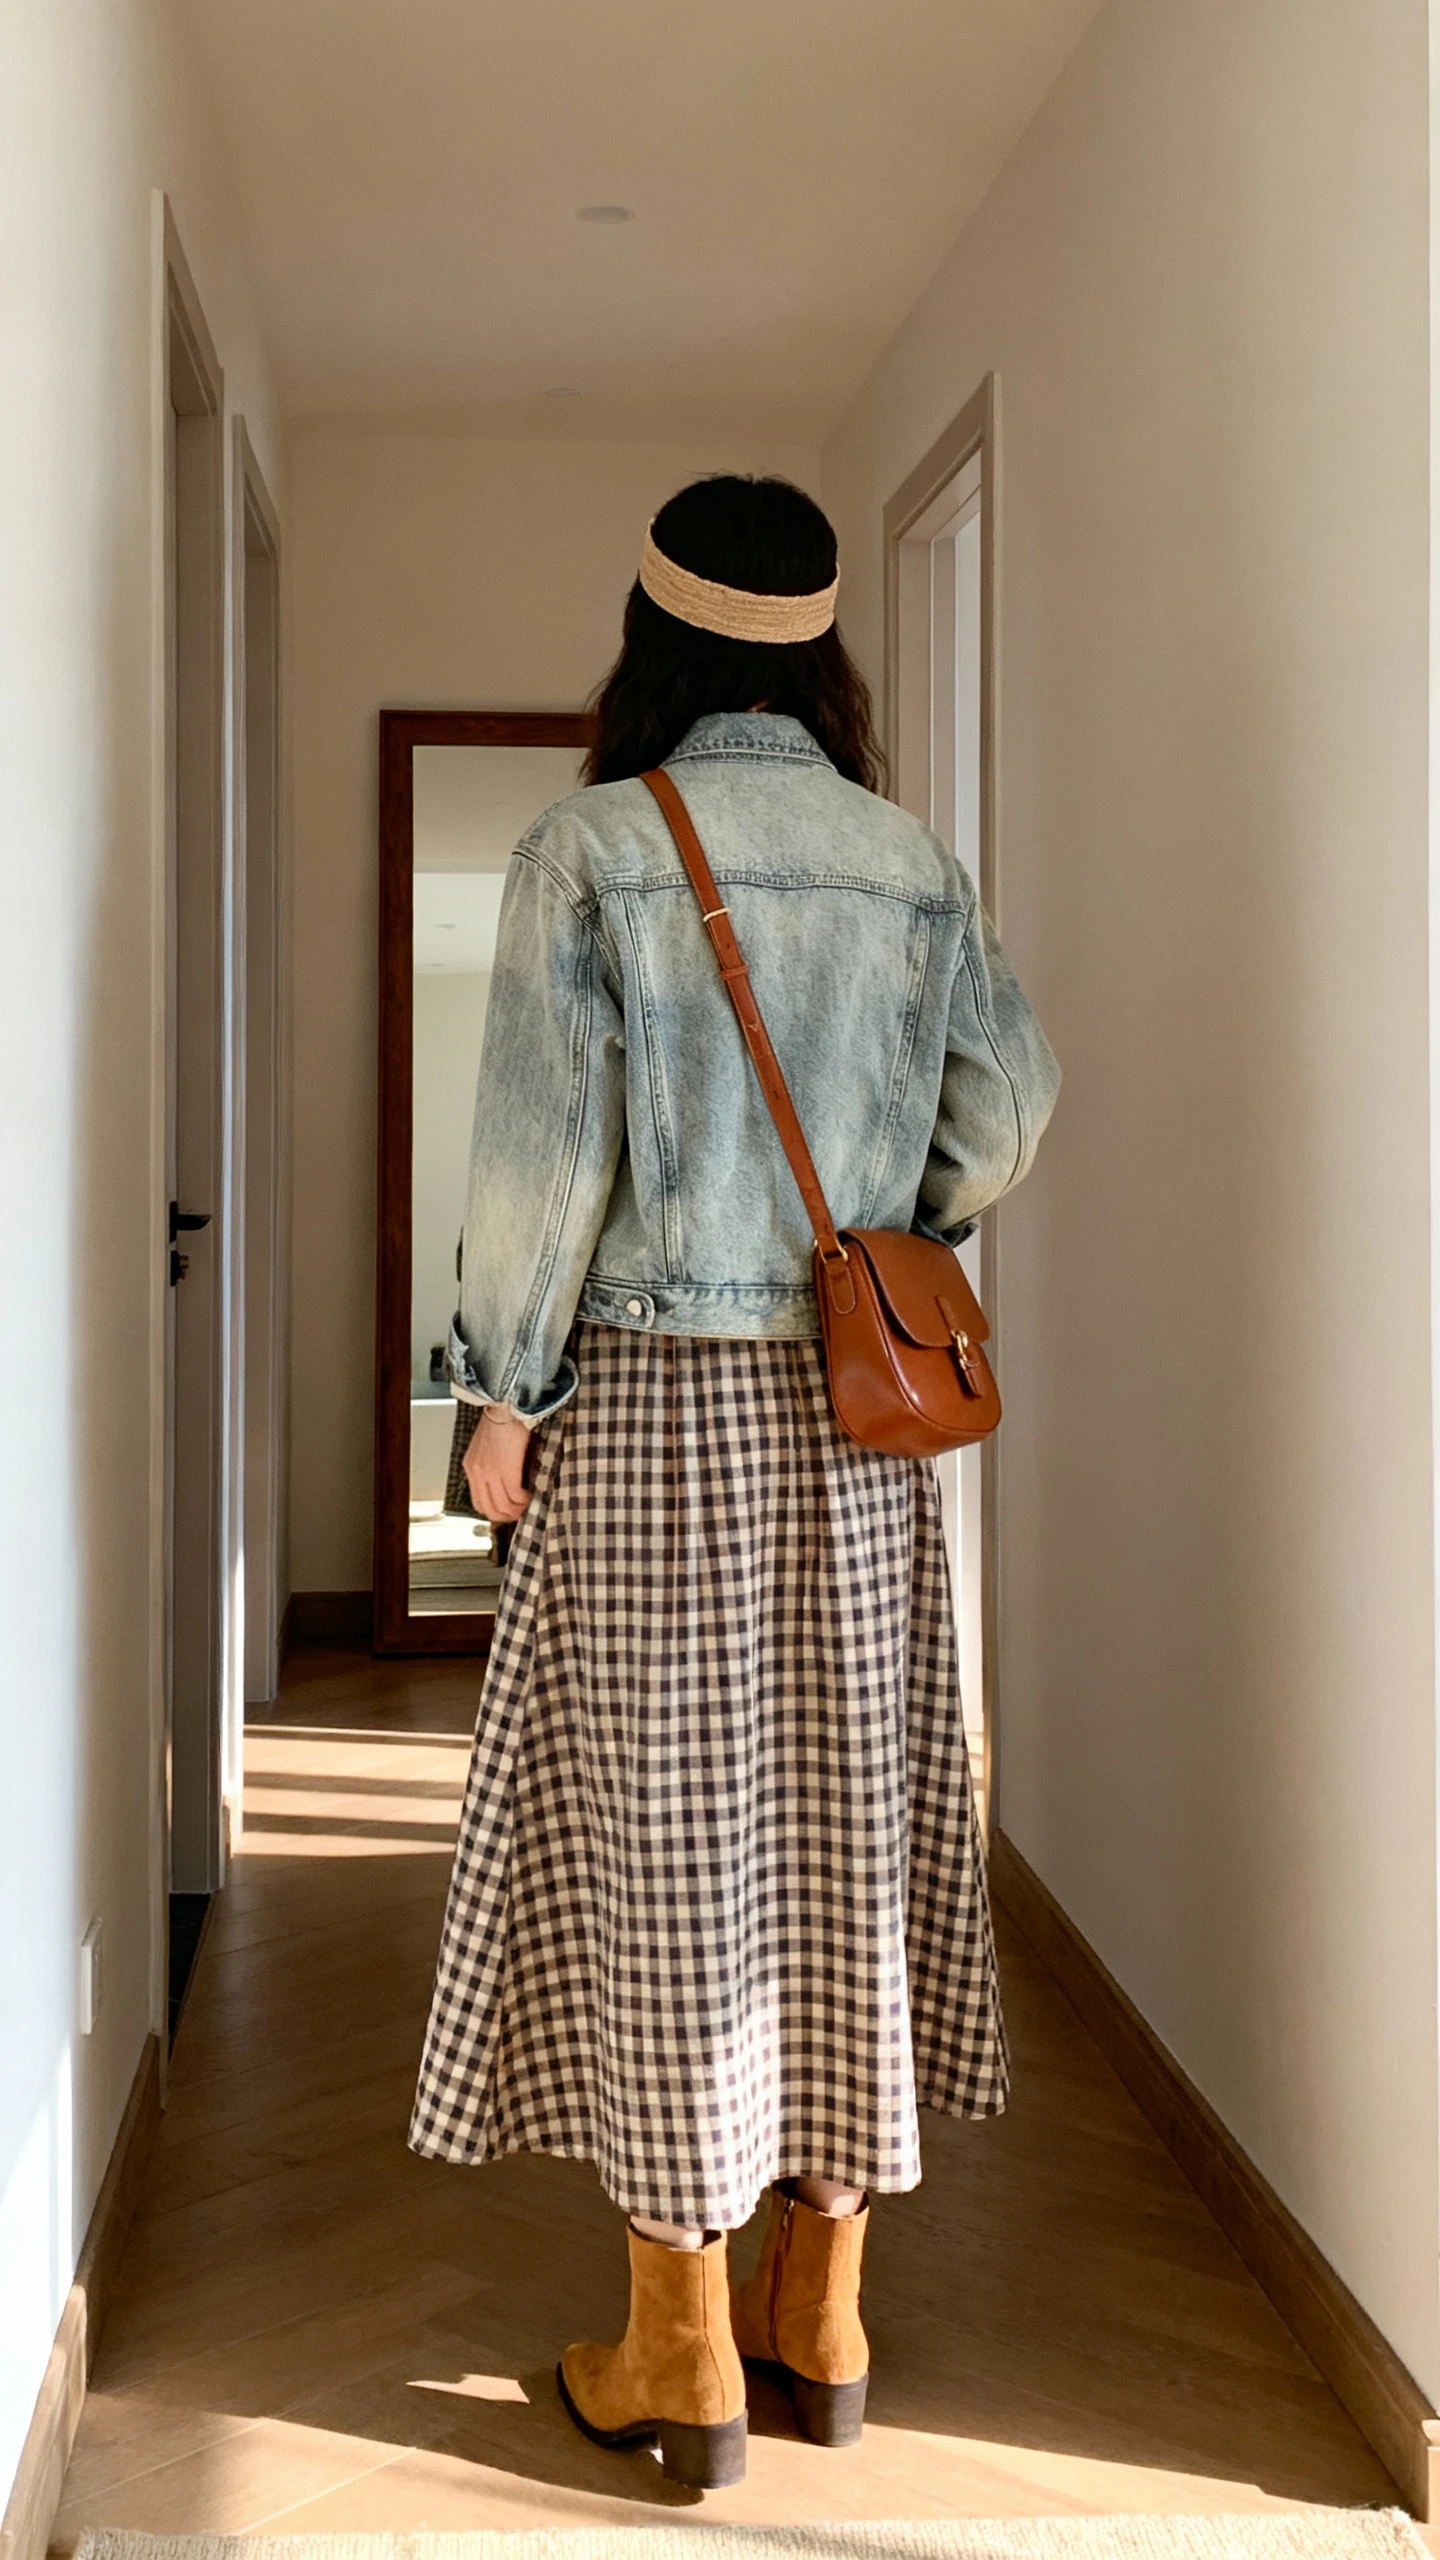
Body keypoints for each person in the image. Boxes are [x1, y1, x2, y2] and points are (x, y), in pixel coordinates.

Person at [408, 473, 1059, 2491]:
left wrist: (496, 1398)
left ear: (655, 635)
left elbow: (541, 1166)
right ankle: (823, 2309)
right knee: (849, 1830)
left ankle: (678, 2349)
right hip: (860, 1437)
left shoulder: (593, 848)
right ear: (826, 649)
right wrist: (892, 1224)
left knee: (665, 1848)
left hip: (658, 1416)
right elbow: (1013, 1103)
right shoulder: (911, 858)